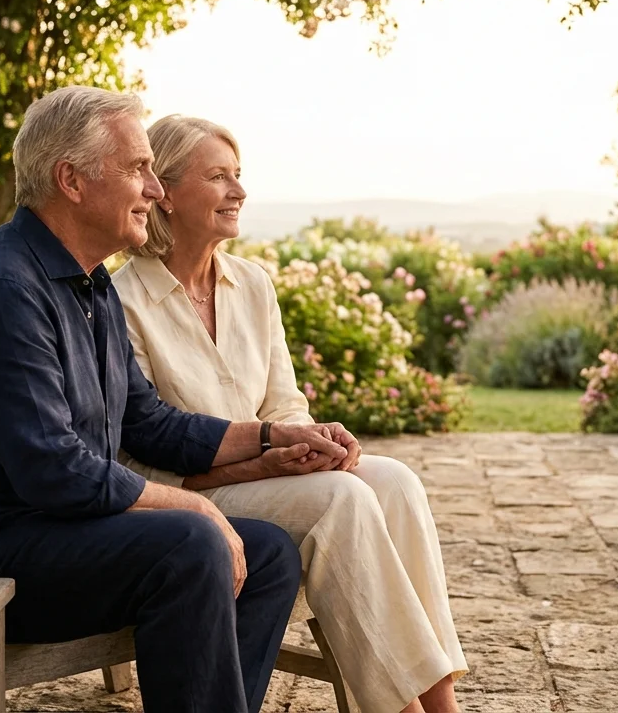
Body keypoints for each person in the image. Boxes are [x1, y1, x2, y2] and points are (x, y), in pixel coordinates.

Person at [0, 87, 349, 713]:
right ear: (71, 181)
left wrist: (270, 437)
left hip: (48, 532)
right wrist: (197, 510)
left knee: (266, 554)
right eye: (138, 169)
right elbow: (55, 470)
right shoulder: (0, 290)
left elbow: (147, 422)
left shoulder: (91, 283)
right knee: (192, 543)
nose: (155, 190)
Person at [110, 115, 469, 713]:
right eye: (218, 177)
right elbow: (139, 445)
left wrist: (312, 440)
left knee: (396, 482)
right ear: (165, 193)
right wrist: (267, 460)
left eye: (239, 175)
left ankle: (440, 700)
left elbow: (283, 403)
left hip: (268, 471)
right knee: (341, 499)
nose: (239, 192)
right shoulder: (124, 300)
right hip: (194, 493)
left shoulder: (252, 284)